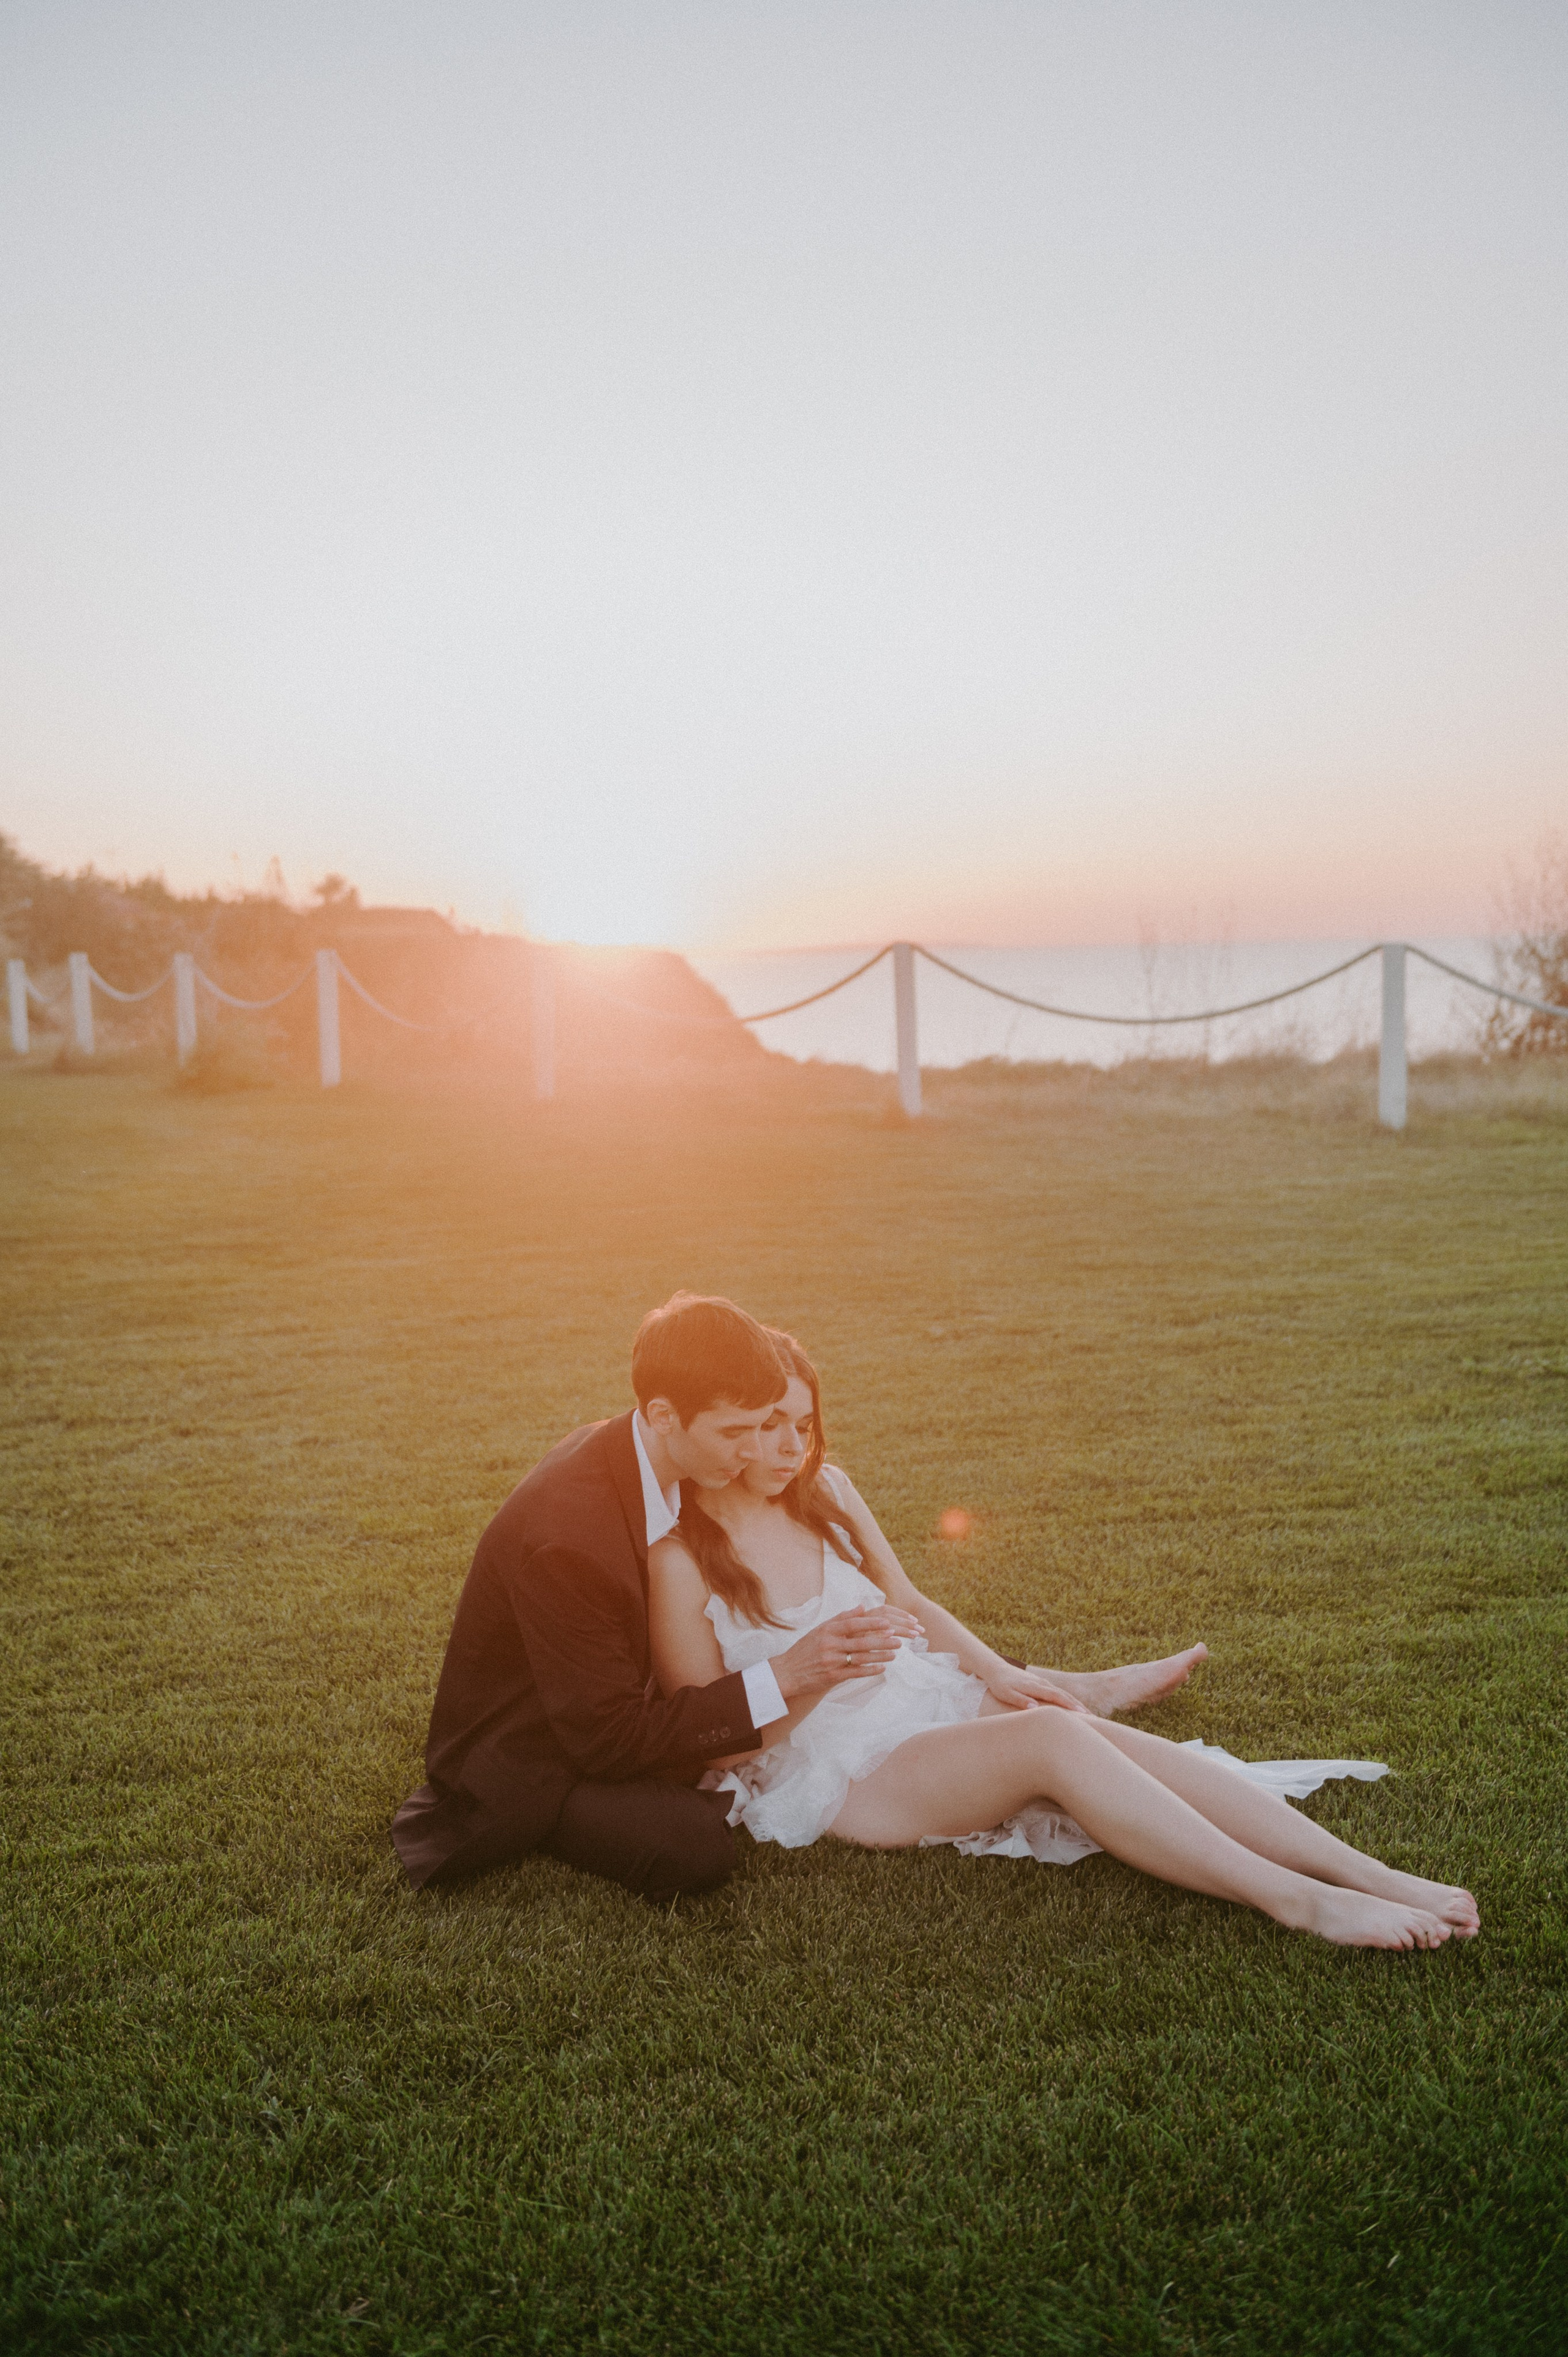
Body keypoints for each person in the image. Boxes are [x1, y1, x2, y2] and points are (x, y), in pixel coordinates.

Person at [647, 1329, 1481, 1951]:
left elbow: (909, 1600)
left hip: (914, 1693)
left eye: (801, 1422)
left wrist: (995, 1676)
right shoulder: (681, 1561)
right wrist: (817, 1674)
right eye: (761, 1426)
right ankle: (1299, 1901)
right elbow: (709, 1742)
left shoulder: (824, 1489)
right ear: (728, 1424)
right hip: (835, 1767)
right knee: (1054, 1738)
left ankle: (1367, 1873)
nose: (784, 1446)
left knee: (1071, 1725)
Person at [392, 1292, 1208, 1904]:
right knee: (691, 1852)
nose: (757, 1452)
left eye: (771, 1427)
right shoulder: (569, 1534)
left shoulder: (656, 1453)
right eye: (738, 1434)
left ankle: (1067, 1695)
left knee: (714, 1798)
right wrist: (789, 1677)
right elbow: (603, 1736)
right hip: (536, 1747)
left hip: (621, 1692)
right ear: (663, 1415)